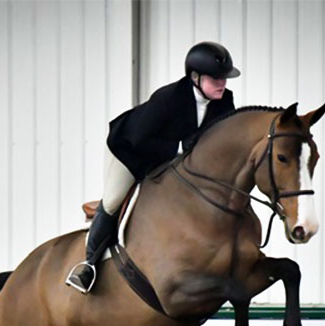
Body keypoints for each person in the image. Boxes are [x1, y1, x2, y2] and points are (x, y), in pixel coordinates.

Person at [65, 41, 240, 294]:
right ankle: (88, 265)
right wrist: (183, 147)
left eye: (224, 77)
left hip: (169, 158)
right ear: (195, 77)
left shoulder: (225, 101)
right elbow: (141, 139)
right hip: (129, 151)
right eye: (216, 78)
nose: (222, 83)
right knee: (114, 201)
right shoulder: (168, 98)